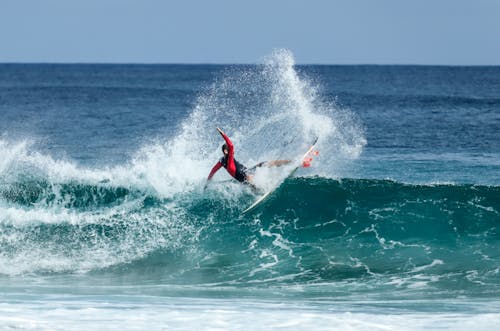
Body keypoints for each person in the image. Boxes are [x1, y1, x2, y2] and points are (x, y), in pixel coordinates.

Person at [205, 127, 290, 189]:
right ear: (225, 151)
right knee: (249, 178)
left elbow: (213, 171)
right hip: (244, 176)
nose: (233, 152)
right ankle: (261, 189)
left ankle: (290, 162)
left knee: (264, 164)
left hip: (246, 172)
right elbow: (230, 145)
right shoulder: (226, 158)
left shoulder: (223, 161)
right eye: (230, 151)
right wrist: (222, 133)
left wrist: (207, 182)